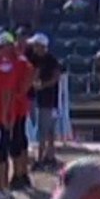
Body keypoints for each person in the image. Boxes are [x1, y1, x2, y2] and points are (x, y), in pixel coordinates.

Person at [0, 32, 34, 199]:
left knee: (5, 150)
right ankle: (7, 184)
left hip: (3, 115)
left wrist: (5, 113)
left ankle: (5, 186)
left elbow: (7, 91)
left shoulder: (6, 66)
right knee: (5, 149)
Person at [26, 33, 62, 171]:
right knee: (46, 129)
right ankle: (49, 156)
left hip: (49, 99)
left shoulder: (51, 60)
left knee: (45, 129)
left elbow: (56, 77)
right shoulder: (34, 59)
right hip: (39, 98)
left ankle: (42, 158)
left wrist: (43, 85)